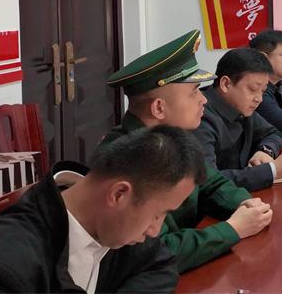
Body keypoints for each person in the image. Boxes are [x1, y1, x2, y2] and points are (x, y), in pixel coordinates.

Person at [0, 126, 203, 293]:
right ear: (118, 194)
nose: (155, 230)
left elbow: (160, 263)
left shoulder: (114, 225)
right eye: (158, 214)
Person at [100, 30, 273, 272]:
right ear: (159, 108)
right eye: (194, 92)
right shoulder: (127, 161)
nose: (204, 100)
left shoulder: (175, 138)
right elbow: (156, 251)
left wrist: (246, 204)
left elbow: (212, 182)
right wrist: (232, 229)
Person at [196, 48, 282, 191]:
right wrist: (271, 170)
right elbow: (208, 182)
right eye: (252, 89)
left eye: (263, 91)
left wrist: (265, 151)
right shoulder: (199, 117)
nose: (259, 99)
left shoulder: (240, 106)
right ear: (226, 84)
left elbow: (273, 133)